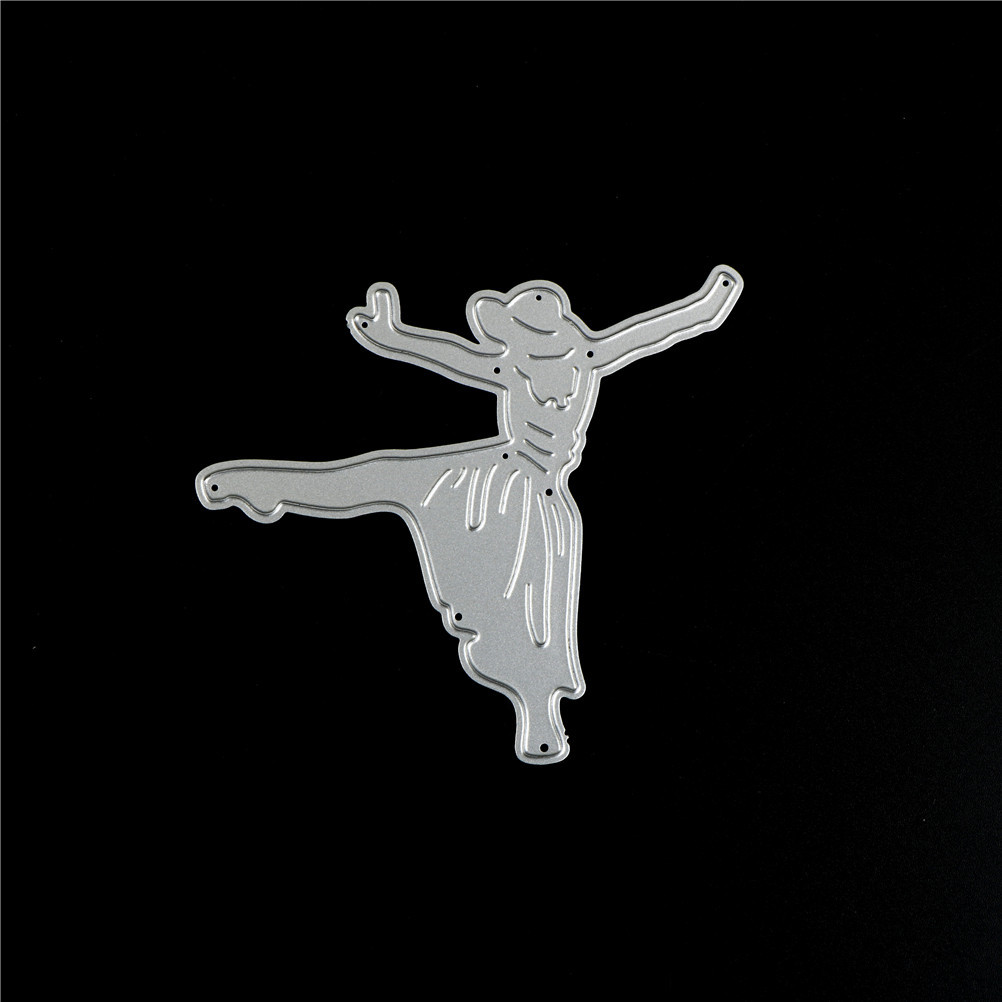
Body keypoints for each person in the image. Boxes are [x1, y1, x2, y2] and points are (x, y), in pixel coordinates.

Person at [196, 267, 743, 763]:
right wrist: (392, 335)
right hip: (498, 475)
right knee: (387, 476)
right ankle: (267, 486)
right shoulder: (519, 364)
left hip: (532, 491)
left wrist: (712, 300)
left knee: (534, 605)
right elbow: (446, 356)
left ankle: (539, 716)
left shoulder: (588, 356)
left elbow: (657, 330)